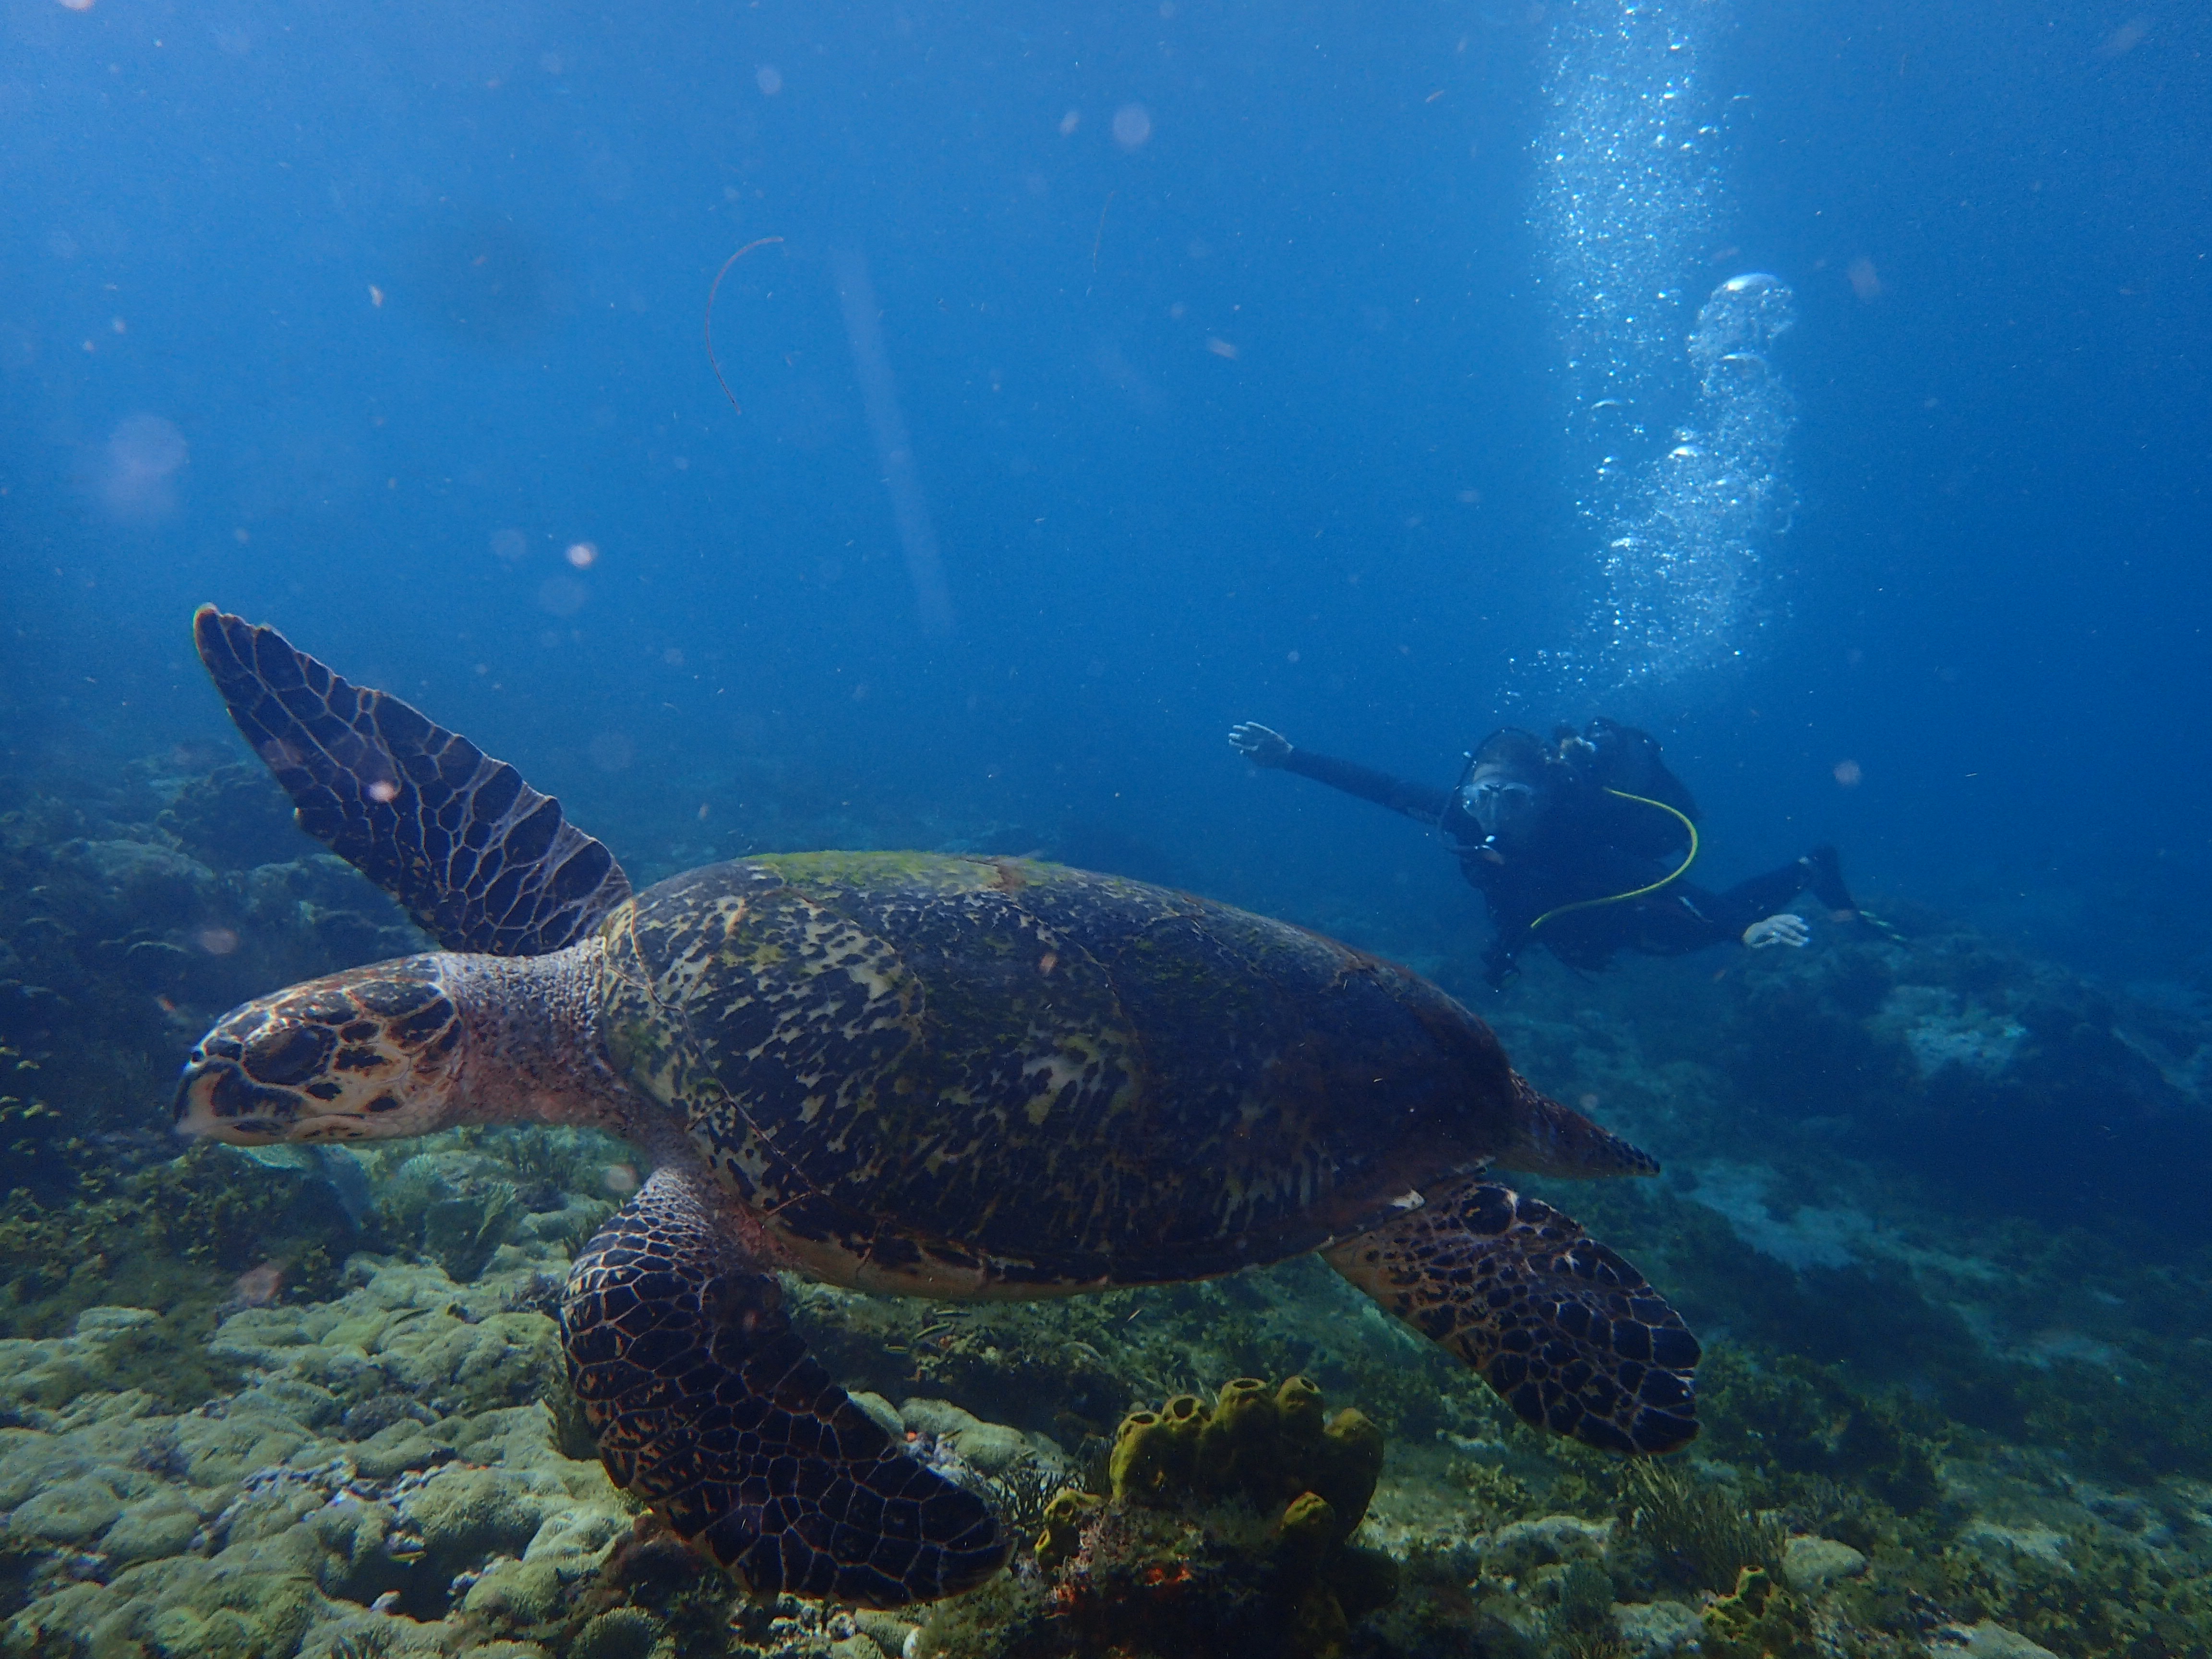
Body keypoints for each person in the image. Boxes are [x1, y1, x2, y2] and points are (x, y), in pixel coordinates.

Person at [1227, 717, 1864, 989]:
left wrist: (1744, 930)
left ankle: (1809, 868)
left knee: (1681, 938)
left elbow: (1673, 887)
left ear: (1542, 800)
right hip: (1546, 920)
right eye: (1483, 797)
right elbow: (1382, 788)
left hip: (1615, 912)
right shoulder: (1464, 817)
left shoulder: (1576, 842)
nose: (1494, 814)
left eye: (1514, 799)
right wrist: (1291, 758)